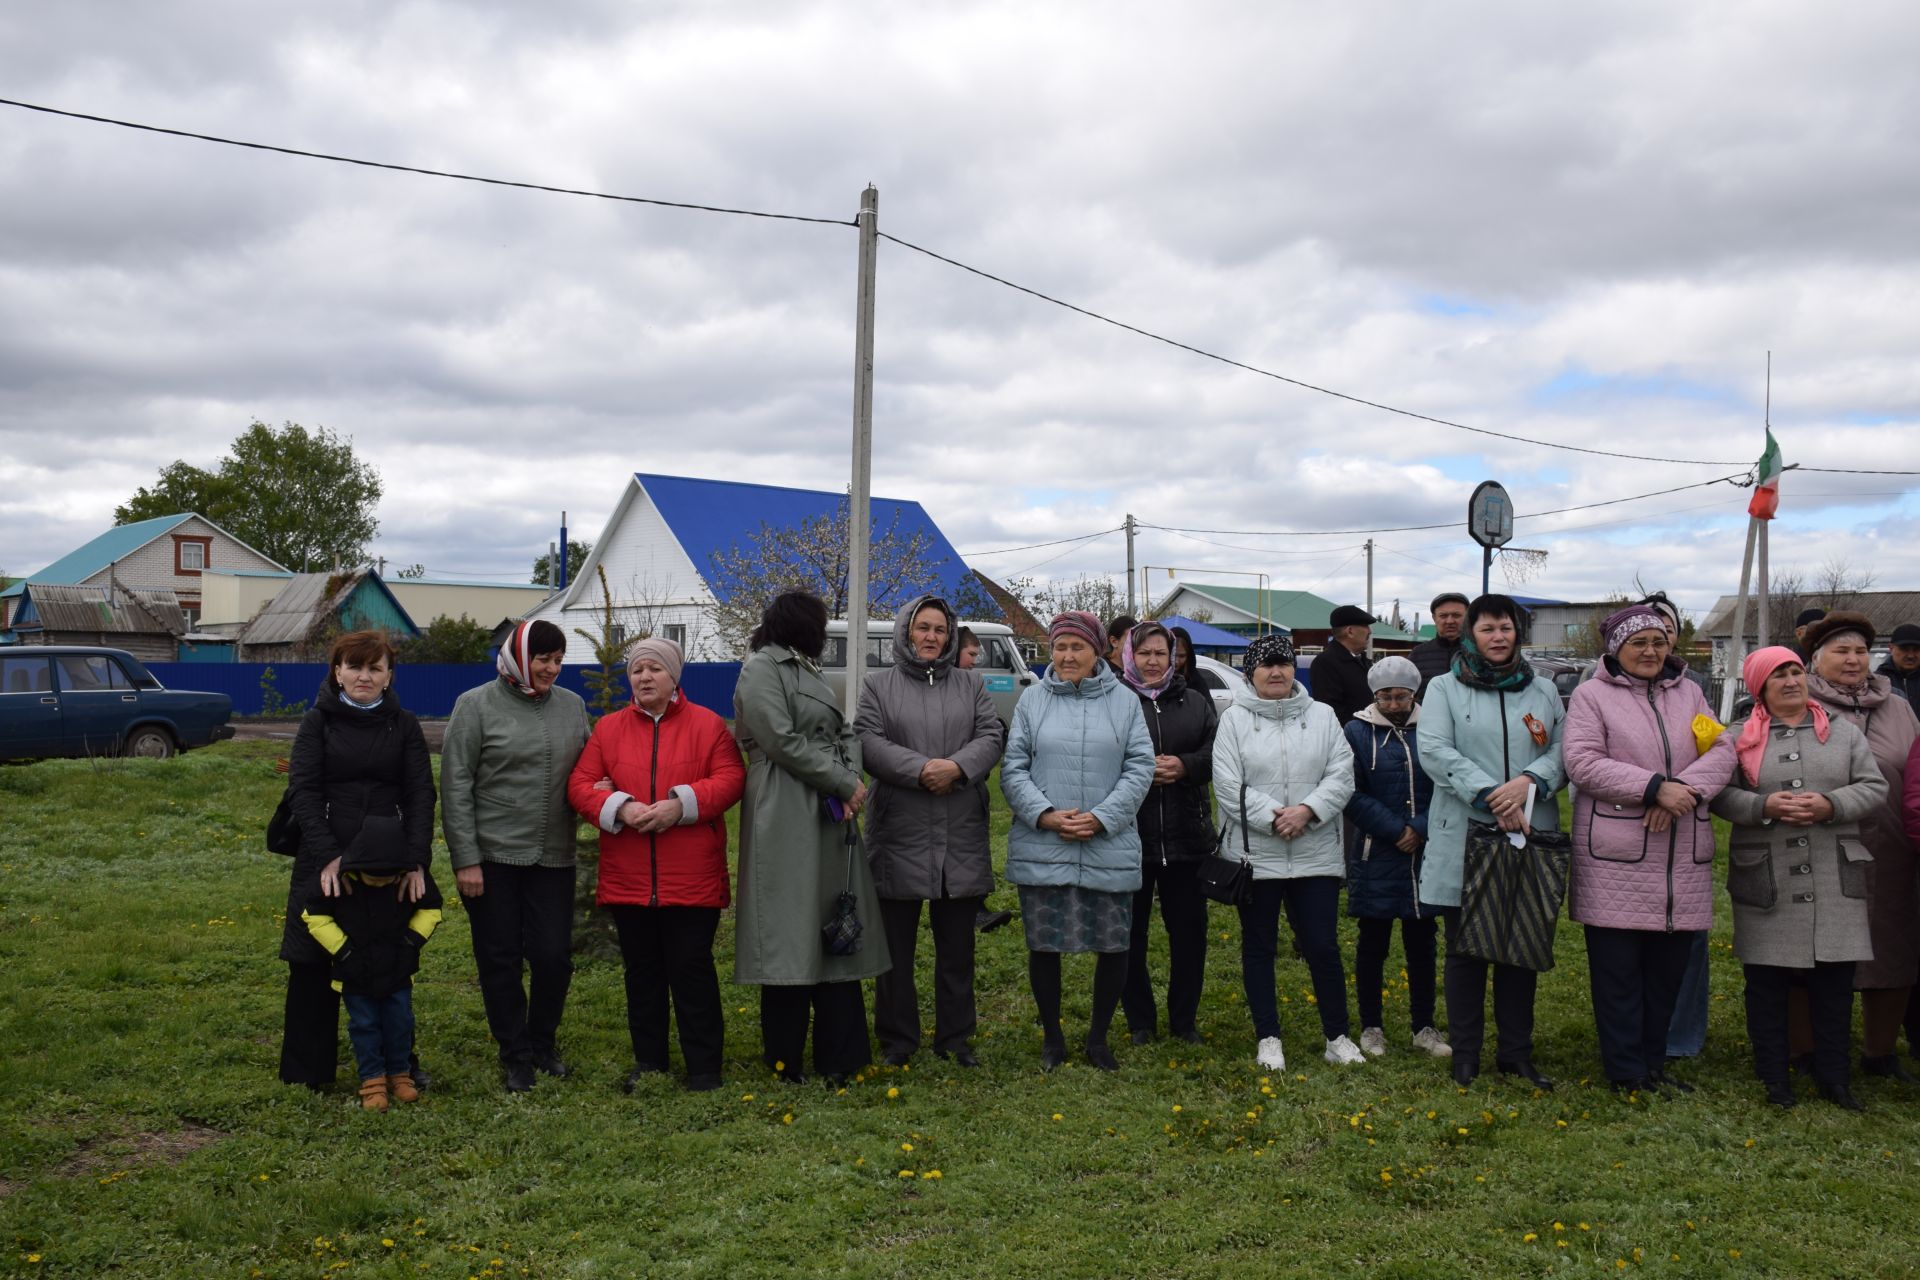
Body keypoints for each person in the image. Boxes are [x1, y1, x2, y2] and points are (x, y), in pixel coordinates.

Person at [1562, 603, 1735, 1094]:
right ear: (1616, 648)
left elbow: (1721, 750)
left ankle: (1653, 1063)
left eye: (1659, 641)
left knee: (1666, 973)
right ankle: (1625, 1071)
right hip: (1617, 857)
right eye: (1639, 643)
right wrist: (1654, 787)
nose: (1651, 651)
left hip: (1681, 857)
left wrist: (1683, 793)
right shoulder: (1592, 696)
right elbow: (1582, 761)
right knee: (1618, 975)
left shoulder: (1691, 693)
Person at [1711, 647, 1887, 1110]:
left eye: (1795, 672)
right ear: (1760, 689)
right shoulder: (1736, 738)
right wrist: (1761, 806)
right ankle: (1774, 1078)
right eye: (1778, 676)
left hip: (1834, 871)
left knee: (1834, 981)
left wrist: (1832, 805)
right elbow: (1718, 795)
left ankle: (1835, 1078)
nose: (1791, 681)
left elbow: (1874, 786)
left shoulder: (1844, 733)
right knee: (1766, 983)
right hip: (1766, 875)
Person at [569, 637, 744, 1093]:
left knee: (692, 972)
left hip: (691, 876)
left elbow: (730, 779)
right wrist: (620, 807)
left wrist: (678, 806)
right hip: (629, 877)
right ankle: (649, 1064)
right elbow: (580, 785)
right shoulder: (608, 730)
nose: (644, 677)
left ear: (674, 677)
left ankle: (705, 1069)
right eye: (637, 670)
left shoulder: (708, 726)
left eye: (655, 670)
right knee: (642, 975)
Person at [733, 591, 890, 1085]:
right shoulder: (763, 667)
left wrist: (850, 779)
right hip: (784, 805)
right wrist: (843, 782)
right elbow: (779, 740)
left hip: (825, 804)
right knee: (788, 922)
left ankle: (838, 1053)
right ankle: (786, 1057)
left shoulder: (807, 668)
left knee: (828, 914)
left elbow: (842, 731)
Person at [1418, 593, 1567, 1090]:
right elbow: (1435, 750)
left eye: (1506, 627)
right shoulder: (1443, 687)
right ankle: (1466, 1053)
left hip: (1530, 831)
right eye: (1487, 629)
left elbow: (1565, 751)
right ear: (1470, 635)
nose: (1498, 637)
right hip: (1467, 830)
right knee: (1466, 949)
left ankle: (1515, 1052)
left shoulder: (1543, 691)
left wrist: (1529, 782)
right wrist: (1491, 796)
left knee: (1520, 945)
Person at [278, 631, 435, 1091]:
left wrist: (416, 861)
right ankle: (308, 1072)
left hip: (388, 865)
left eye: (375, 668)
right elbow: (303, 792)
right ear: (337, 671)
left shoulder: (404, 725)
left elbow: (421, 794)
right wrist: (328, 855)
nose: (364, 676)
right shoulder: (316, 723)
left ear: (389, 677)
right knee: (311, 959)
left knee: (386, 960)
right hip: (324, 856)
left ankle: (399, 1062)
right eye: (354, 666)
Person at [440, 619, 592, 1093]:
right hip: (493, 856)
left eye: (558, 660)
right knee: (499, 958)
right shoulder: (474, 705)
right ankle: (515, 1053)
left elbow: (589, 769)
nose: (552, 668)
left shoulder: (573, 707)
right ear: (519, 656)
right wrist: (466, 858)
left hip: (554, 854)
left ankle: (543, 1042)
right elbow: (456, 785)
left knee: (552, 956)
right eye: (543, 658)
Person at [855, 595, 1006, 1068]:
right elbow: (867, 741)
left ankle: (955, 1039)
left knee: (957, 951)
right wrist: (923, 769)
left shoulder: (970, 685)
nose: (931, 637)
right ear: (905, 631)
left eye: (940, 629)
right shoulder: (878, 686)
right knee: (894, 951)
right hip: (899, 831)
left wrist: (958, 767)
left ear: (950, 636)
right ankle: (898, 1041)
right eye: (923, 627)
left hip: (958, 831)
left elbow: (991, 735)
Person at [1000, 610, 1155, 1071]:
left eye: (1077, 647)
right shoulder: (1033, 701)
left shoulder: (1125, 702)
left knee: (1113, 945)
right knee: (1045, 944)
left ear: (1097, 652)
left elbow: (1140, 765)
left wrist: (1103, 818)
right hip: (1046, 841)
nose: (1067, 656)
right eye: (1060, 647)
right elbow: (1013, 767)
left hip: (1107, 841)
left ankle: (1098, 1039)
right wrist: (1045, 816)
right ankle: (1053, 1038)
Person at [1214, 633, 1360, 1069]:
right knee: (1259, 948)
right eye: (1266, 665)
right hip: (1256, 856)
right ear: (1250, 673)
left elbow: (1342, 774)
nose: (1276, 672)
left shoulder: (1323, 716)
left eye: (1284, 664)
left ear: (1295, 669)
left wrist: (1308, 811)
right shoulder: (1234, 720)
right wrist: (1276, 816)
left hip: (1314, 853)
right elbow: (1225, 783)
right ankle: (1269, 1038)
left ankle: (1337, 1036)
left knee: (1322, 946)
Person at [1802, 611, 1920, 1083]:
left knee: (1892, 945)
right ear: (1816, 660)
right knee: (1810, 946)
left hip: (1891, 845)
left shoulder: (1897, 707)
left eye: (1859, 652)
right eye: (1840, 651)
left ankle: (1880, 1053)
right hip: (1818, 843)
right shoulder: (1796, 698)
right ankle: (1807, 1050)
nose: (1852, 660)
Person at [1116, 621, 1219, 1047]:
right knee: (1128, 934)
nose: (1154, 661)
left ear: (1175, 657)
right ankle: (1140, 1022)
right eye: (1145, 654)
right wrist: (1139, 773)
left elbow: (1219, 753)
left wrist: (1185, 766)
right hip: (1129, 837)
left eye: (1163, 653)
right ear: (1129, 657)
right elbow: (1098, 755)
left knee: (1189, 934)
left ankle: (1184, 1021)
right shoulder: (1114, 702)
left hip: (1186, 834)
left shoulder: (1195, 701)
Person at [1342, 655, 1449, 1059]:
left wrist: (1420, 827)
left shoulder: (1435, 728)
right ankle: (1372, 1027)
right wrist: (1393, 829)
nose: (1392, 704)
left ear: (1414, 694)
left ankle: (1424, 1025)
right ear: (1374, 696)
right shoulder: (1356, 731)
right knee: (1373, 944)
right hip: (1376, 853)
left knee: (1422, 942)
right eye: (1384, 697)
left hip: (1425, 851)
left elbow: (1446, 782)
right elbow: (1349, 790)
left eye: (1400, 696)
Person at [301, 830, 443, 1110]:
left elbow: (432, 909)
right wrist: (344, 951)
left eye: (387, 879)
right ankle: (372, 1081)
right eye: (373, 879)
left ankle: (400, 1075)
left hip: (398, 971)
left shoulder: (408, 877)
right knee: (365, 1027)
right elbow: (315, 916)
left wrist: (410, 943)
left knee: (400, 1023)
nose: (381, 884)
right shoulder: (338, 882)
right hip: (354, 974)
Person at [956, 627, 1016, 934]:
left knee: (974, 846)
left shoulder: (972, 686)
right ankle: (971, 911)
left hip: (972, 781)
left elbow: (990, 732)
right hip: (956, 784)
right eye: (971, 655)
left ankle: (977, 908)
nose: (974, 662)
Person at [1310, 605, 1375, 725]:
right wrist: (1358, 732)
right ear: (1350, 631)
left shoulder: (1363, 660)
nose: (1370, 631)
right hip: (1349, 739)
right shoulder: (1325, 663)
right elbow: (1331, 710)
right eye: (1365, 626)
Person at [1410, 593, 1469, 699]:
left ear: (1467, 617)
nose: (1450, 621)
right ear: (1434, 618)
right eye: (1443, 616)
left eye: (1456, 615)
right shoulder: (1417, 655)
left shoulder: (1479, 653)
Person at [1879, 622, 1920, 708]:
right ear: (1891, 648)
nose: (1910, 655)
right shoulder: (1878, 681)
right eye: (1904, 649)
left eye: (1916, 649)